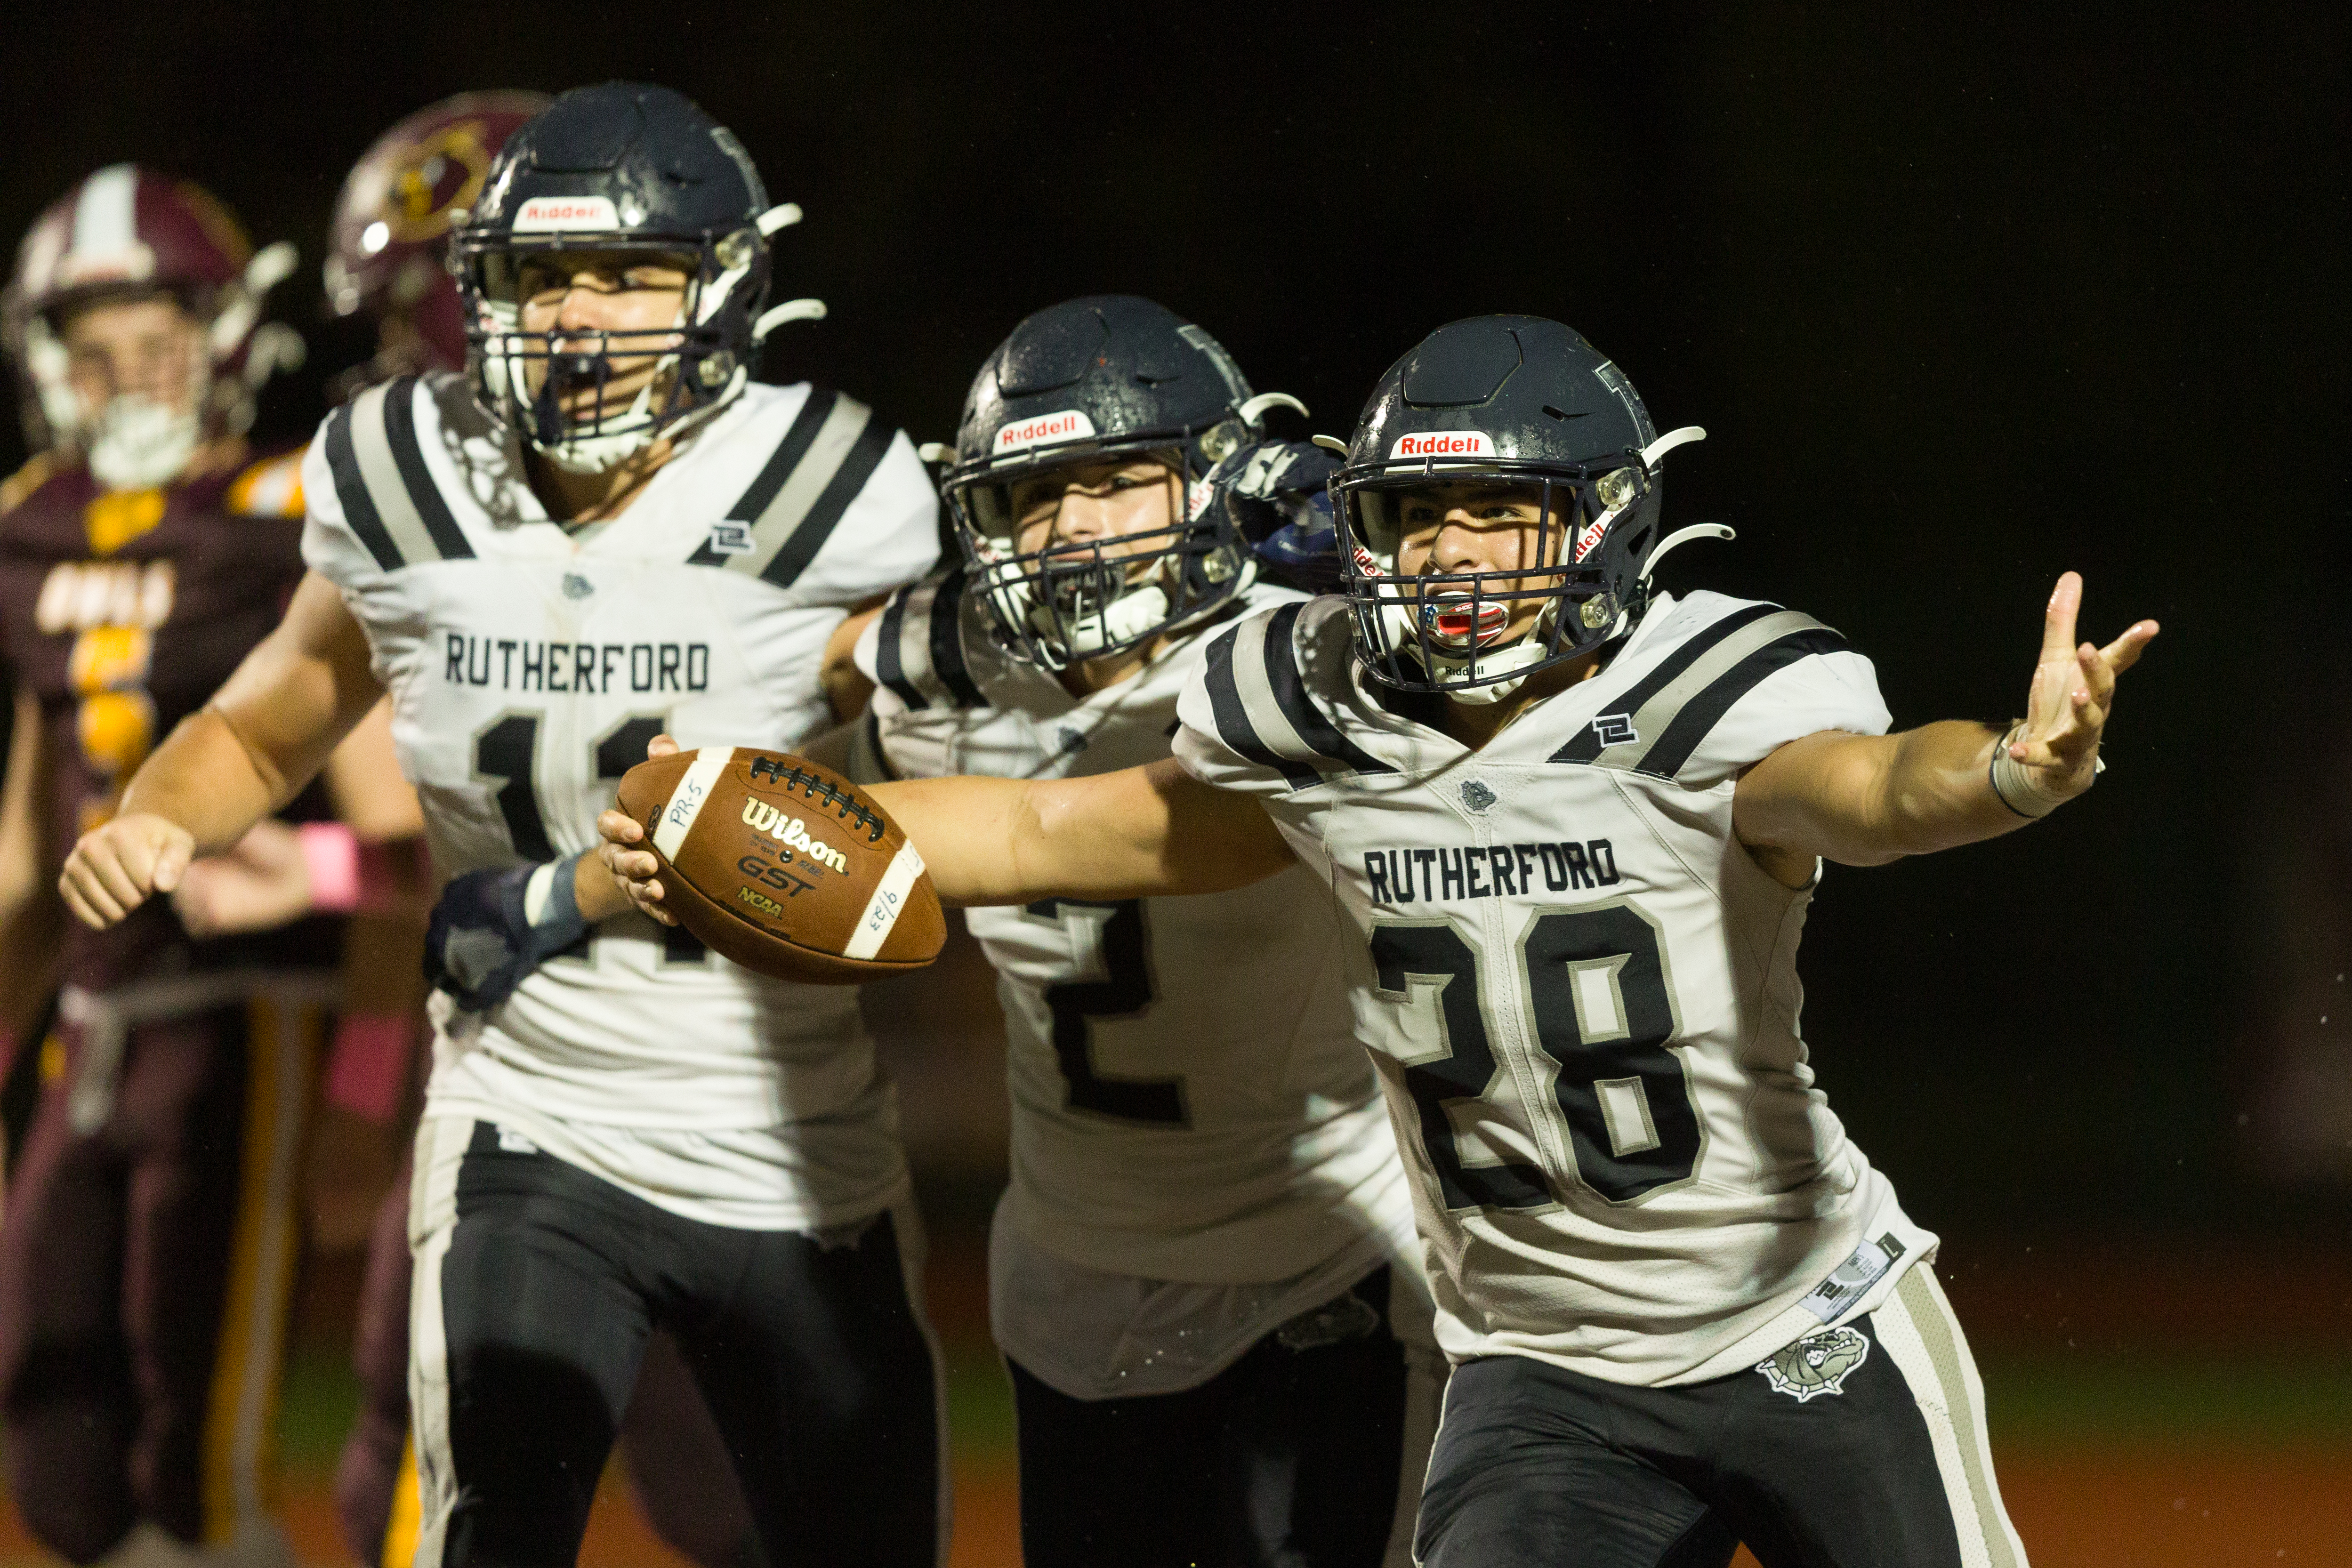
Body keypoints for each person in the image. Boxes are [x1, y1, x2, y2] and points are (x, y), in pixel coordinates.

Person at [604, 314, 2158, 1568]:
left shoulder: (1703, 693)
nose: (1460, 556)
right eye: (1421, 517)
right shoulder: (1321, 724)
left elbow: (1875, 790)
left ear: (1609, 529)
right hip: (1538, 1371)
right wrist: (719, 820)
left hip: (1801, 1321)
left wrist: (2010, 771)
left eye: (1506, 513)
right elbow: (1041, 835)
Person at [58, 84, 947, 1567]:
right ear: (487, 293)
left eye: (630, 274)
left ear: (721, 290)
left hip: (792, 1150)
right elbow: (270, 716)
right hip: (525, 1123)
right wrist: (165, 814)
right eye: (545, 277)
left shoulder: (843, 492)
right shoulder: (401, 472)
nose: (583, 316)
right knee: (484, 1533)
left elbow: (965, 751)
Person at [839, 295, 1442, 1567]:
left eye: (1116, 478)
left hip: (1321, 1261)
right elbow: (783, 680)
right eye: (1035, 491)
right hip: (1072, 1274)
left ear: (1215, 485)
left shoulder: (1299, 662)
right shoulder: (937, 669)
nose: (1071, 526)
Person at [0, 164, 412, 1568]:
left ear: (230, 340)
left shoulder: (287, 509)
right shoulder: (28, 526)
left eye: (159, 342)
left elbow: (398, 842)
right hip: (89, 1028)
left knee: (196, 1452)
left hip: (249, 1023)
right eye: (95, 347)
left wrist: (363, 1088)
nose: (128, 379)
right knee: (51, 1445)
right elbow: (25, 842)